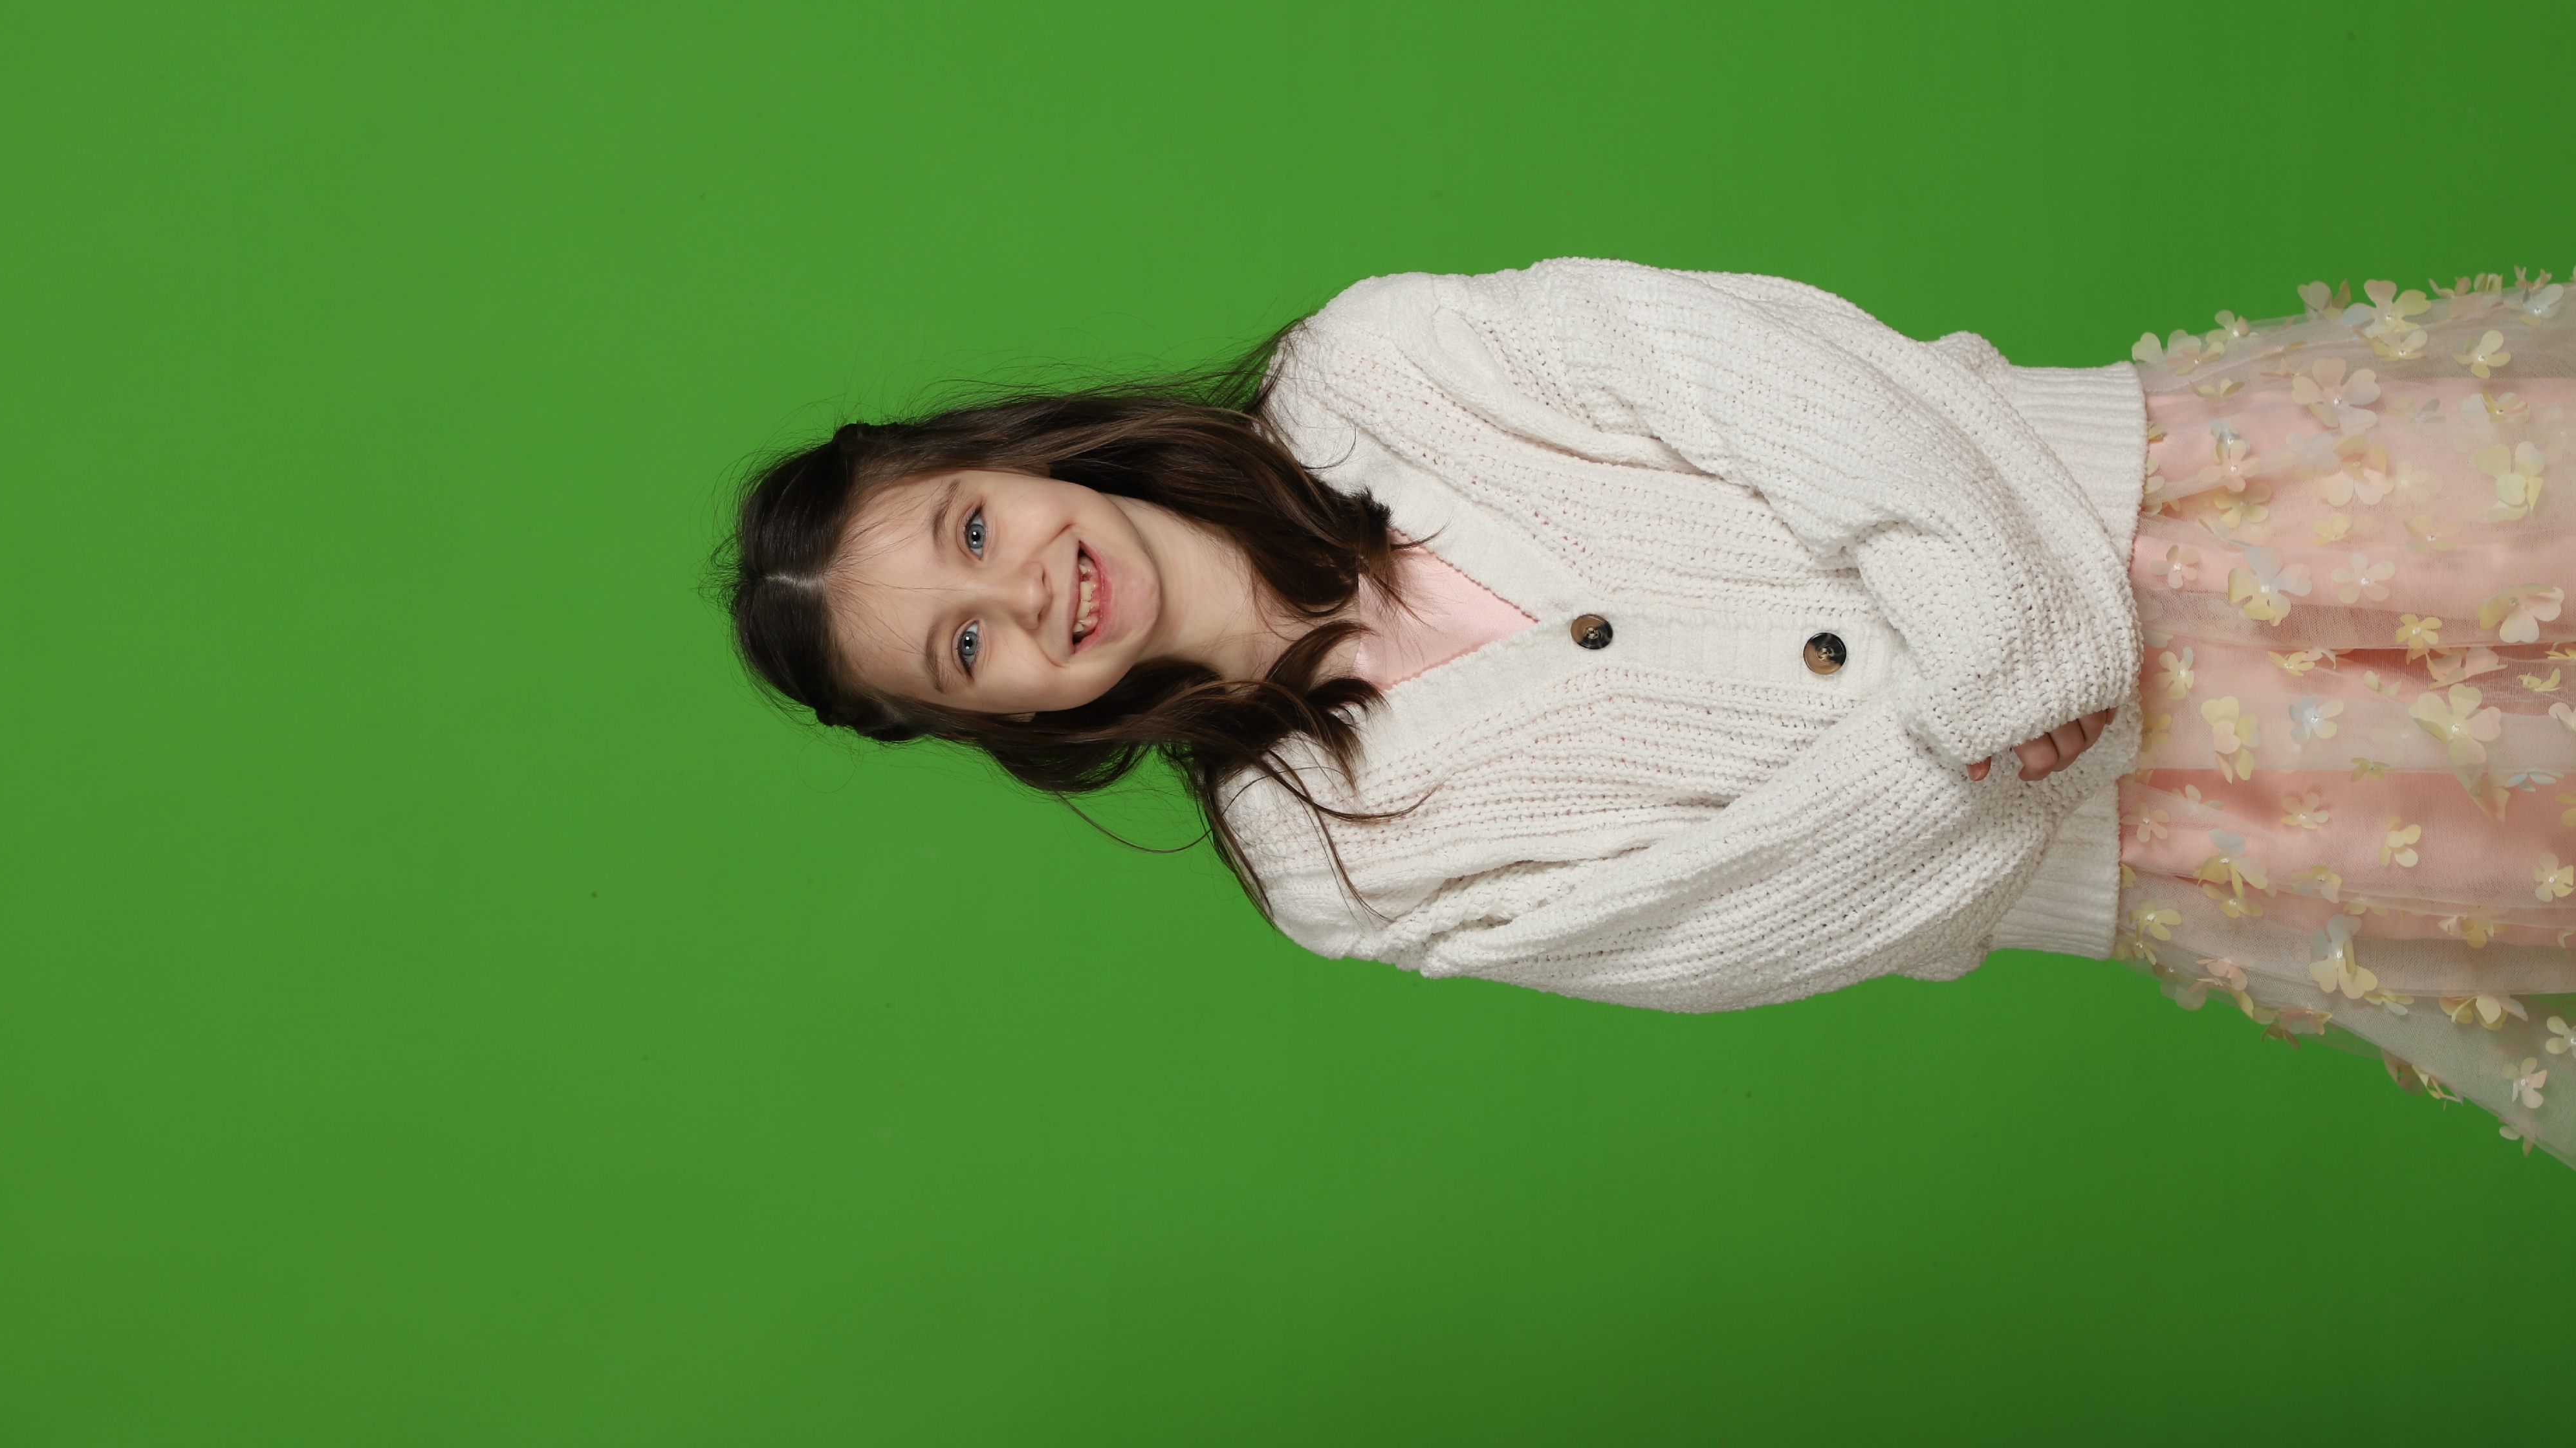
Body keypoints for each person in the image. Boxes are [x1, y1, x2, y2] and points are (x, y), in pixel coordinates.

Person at [722, 258, 2576, 1157]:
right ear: (995, 722)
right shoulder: (1332, 867)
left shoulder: (1378, 366)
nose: (1022, 593)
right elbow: (1742, 925)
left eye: (972, 531)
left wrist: (2011, 644)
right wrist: (1983, 750)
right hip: (2188, 825)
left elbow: (1762, 373)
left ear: (1005, 453)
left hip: (2186, 506)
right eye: (963, 649)